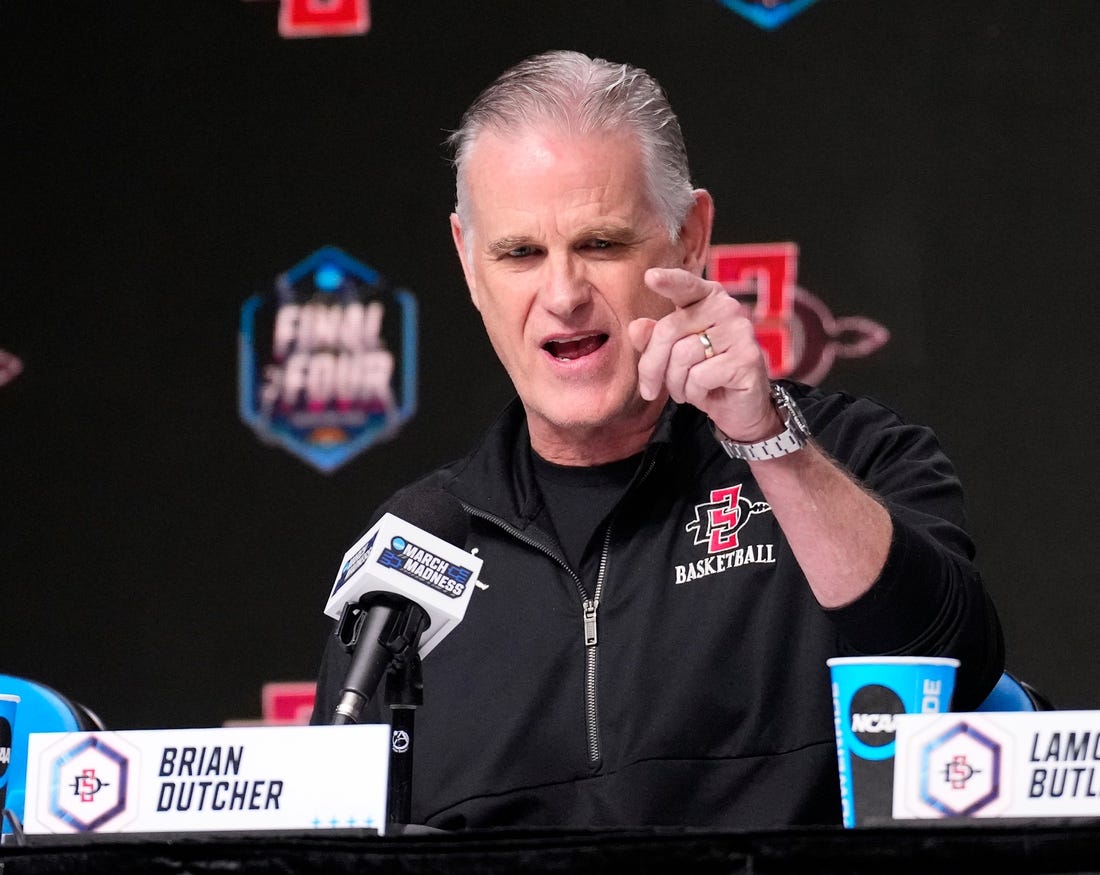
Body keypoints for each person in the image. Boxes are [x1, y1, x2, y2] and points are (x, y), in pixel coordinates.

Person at [311, 49, 1004, 830]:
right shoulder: (406, 569)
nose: (564, 295)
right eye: (520, 253)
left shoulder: (853, 456)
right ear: (469, 263)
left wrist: (767, 441)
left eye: (601, 244)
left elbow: (960, 673)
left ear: (689, 238)